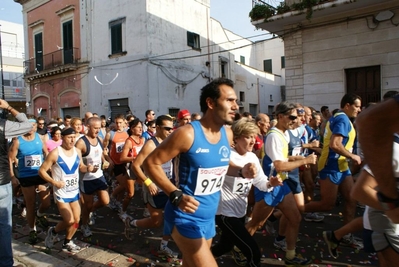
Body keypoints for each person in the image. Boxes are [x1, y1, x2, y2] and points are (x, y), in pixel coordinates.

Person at [143, 78, 257, 267]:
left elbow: (219, 165)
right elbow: (151, 163)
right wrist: (175, 194)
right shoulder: (187, 134)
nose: (235, 106)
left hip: (208, 217)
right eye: (229, 100)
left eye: (236, 101)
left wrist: (241, 170)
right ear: (210, 103)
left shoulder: (227, 134)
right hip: (185, 217)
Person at [246, 102, 315, 266]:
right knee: (257, 223)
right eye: (292, 117)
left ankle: (290, 257)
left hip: (280, 184)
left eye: (296, 117)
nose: (295, 120)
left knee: (295, 218)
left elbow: (283, 159)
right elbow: (279, 166)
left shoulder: (284, 134)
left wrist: (296, 159)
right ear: (280, 117)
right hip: (269, 186)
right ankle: (237, 248)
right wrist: (304, 160)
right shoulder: (274, 136)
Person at [211, 118, 282, 267]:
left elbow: (261, 183)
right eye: (248, 136)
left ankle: (196, 261)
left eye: (254, 137)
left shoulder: (252, 157)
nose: (252, 141)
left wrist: (271, 183)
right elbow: (219, 172)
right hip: (224, 214)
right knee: (253, 252)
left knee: (224, 247)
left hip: (240, 212)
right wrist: (241, 171)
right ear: (236, 138)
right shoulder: (226, 155)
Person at [305, 93, 362, 246]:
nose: (359, 109)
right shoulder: (342, 118)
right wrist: (352, 156)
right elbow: (335, 144)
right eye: (357, 106)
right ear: (347, 105)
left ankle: (344, 235)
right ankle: (286, 211)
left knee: (351, 199)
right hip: (331, 166)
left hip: (342, 167)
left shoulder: (344, 119)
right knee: (326, 205)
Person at [125, 115, 178, 258]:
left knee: (172, 216)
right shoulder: (150, 144)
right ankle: (132, 223)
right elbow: (135, 166)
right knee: (156, 222)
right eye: (167, 128)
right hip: (153, 188)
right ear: (158, 128)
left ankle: (164, 246)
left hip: (167, 187)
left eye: (172, 128)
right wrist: (148, 183)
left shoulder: (171, 141)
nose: (170, 131)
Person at [39, 127, 99, 252]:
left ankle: (67, 241)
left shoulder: (77, 151)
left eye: (73, 137)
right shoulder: (55, 153)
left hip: (74, 191)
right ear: (62, 138)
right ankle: (53, 231)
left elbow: (81, 167)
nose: (72, 140)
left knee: (77, 220)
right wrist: (54, 182)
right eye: (69, 137)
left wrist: (88, 168)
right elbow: (42, 171)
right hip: (61, 192)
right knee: (69, 220)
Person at [0, 99, 33, 267]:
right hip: (1, 182)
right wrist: (9, 108)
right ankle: (6, 263)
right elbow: (27, 125)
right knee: (4, 226)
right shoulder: (3, 125)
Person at [8, 118, 50, 244]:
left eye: (34, 126)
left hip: (40, 174)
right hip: (26, 177)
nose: (32, 128)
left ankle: (39, 213)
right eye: (29, 126)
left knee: (46, 202)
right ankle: (32, 230)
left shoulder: (40, 138)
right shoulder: (17, 141)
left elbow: (46, 153)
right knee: (30, 204)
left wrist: (49, 168)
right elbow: (10, 159)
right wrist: (12, 176)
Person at [75, 117, 110, 237]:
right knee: (87, 205)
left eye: (99, 128)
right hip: (86, 179)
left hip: (99, 176)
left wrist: (105, 161)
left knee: (105, 201)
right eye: (95, 128)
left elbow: (100, 155)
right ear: (88, 127)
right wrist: (87, 168)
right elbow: (79, 165)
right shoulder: (81, 143)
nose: (98, 131)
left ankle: (90, 212)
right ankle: (84, 225)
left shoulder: (99, 139)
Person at [117, 118, 145, 222]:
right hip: (131, 170)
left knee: (147, 189)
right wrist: (135, 158)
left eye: (141, 127)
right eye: (138, 127)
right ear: (132, 129)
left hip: (140, 169)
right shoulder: (129, 141)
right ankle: (122, 212)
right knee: (130, 194)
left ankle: (147, 209)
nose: (140, 129)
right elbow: (122, 158)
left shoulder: (142, 140)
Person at [103, 114, 128, 211]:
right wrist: (108, 160)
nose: (118, 125)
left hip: (125, 162)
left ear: (124, 122)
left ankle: (118, 202)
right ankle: (112, 197)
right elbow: (104, 149)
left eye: (120, 123)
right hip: (116, 163)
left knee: (124, 186)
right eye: (116, 123)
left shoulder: (127, 132)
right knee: (123, 184)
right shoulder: (110, 134)